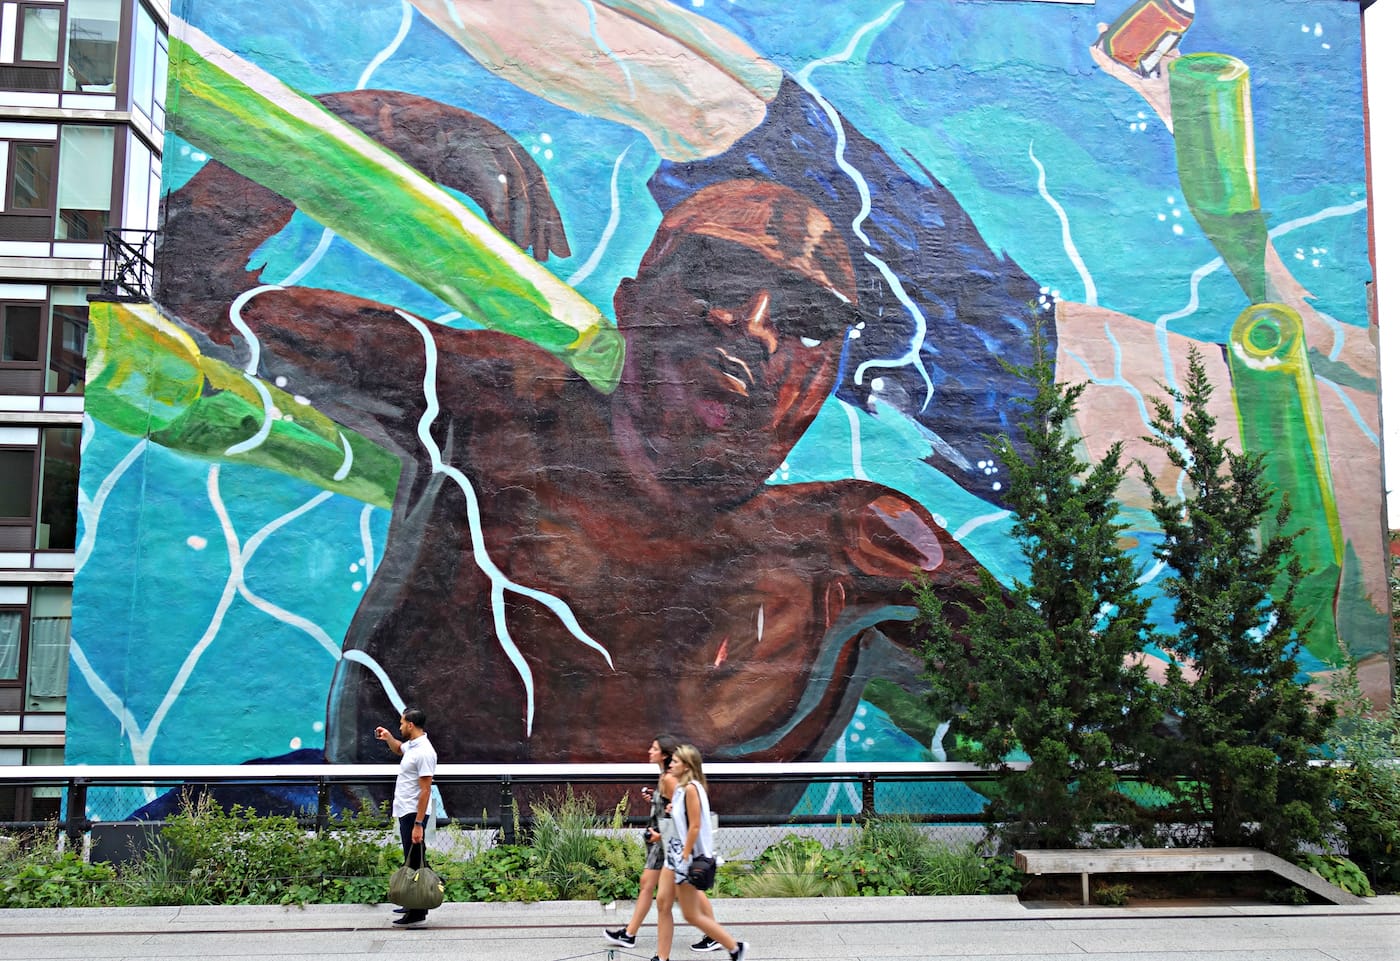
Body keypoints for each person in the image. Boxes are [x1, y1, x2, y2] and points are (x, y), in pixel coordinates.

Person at [605, 735, 723, 953]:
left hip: (666, 840)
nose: (649, 751)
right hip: (662, 839)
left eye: (654, 748)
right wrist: (655, 800)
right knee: (649, 885)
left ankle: (712, 934)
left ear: (665, 755)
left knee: (683, 888)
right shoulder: (665, 777)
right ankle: (630, 933)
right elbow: (670, 805)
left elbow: (681, 814)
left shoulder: (670, 779)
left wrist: (662, 836)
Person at [655, 745, 745, 961]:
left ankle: (734, 947)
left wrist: (685, 855)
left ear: (686, 766)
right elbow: (683, 820)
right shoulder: (681, 789)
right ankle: (662, 957)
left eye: (676, 761)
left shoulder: (692, 789)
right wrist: (670, 814)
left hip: (686, 856)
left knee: (690, 914)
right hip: (674, 854)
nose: (672, 764)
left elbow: (695, 826)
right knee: (662, 903)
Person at [375, 707, 438, 926]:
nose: (400, 726)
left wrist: (419, 824)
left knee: (415, 860)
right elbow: (399, 749)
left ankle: (419, 909)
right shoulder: (412, 745)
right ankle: (414, 902)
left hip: (414, 812)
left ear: (410, 725)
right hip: (405, 810)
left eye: (401, 723)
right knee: (412, 858)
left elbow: (426, 790)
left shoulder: (425, 752)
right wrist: (388, 738)